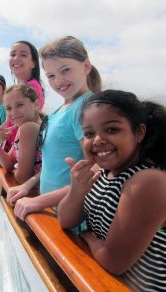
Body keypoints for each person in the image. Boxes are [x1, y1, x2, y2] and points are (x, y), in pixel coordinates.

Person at [58, 90, 166, 291]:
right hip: (99, 281)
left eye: (112, 130)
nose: (97, 140)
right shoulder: (102, 172)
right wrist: (77, 189)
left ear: (139, 133)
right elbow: (66, 220)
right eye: (89, 133)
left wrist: (88, 236)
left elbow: (114, 261)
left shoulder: (147, 181)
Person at [9, 36, 102, 221]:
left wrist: (39, 202)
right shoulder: (59, 111)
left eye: (65, 70)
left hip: (73, 220)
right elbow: (53, 162)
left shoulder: (86, 109)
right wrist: (27, 185)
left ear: (86, 66)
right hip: (51, 213)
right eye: (51, 75)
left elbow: (97, 170)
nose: (59, 80)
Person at [0, 84, 43, 184]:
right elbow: (9, 163)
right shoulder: (23, 127)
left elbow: (23, 178)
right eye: (8, 108)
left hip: (36, 194)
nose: (14, 112)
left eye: (20, 105)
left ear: (36, 104)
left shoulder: (29, 128)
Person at [9, 40, 45, 112]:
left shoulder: (30, 87)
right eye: (13, 55)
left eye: (23, 55)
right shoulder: (23, 86)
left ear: (33, 63)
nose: (16, 58)